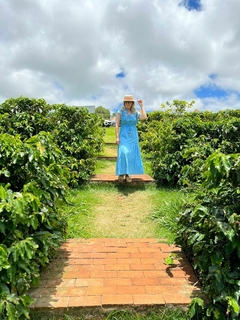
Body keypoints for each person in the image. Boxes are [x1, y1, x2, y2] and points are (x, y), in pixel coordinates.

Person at [115, 95, 147, 182]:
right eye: (126, 102)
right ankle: (121, 173)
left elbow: (144, 117)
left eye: (129, 102)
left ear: (132, 103)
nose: (127, 104)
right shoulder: (120, 111)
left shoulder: (135, 112)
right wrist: (117, 137)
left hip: (133, 135)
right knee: (123, 152)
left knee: (130, 154)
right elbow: (117, 124)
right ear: (124, 103)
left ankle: (128, 174)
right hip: (123, 134)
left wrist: (142, 106)